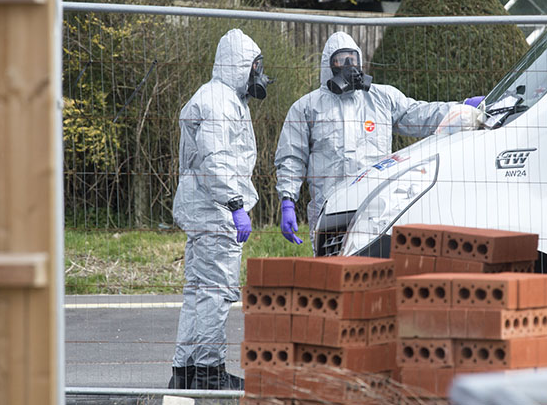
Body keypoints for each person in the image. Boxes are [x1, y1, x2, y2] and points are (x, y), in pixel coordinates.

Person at [274, 31, 482, 249]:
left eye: (352, 59)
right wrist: (287, 201)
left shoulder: (382, 98)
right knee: (333, 264)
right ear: (328, 65)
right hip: (329, 208)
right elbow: (291, 157)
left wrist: (461, 107)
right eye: (340, 60)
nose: (348, 66)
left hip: (378, 205)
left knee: (377, 262)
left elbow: (419, 114)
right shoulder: (307, 107)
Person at [169, 29, 270, 390]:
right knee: (216, 291)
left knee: (198, 291)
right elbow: (216, 159)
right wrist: (235, 204)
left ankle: (185, 374)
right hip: (216, 210)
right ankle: (209, 374)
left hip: (206, 207)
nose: (259, 74)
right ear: (239, 65)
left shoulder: (220, 97)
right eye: (255, 66)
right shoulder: (219, 102)